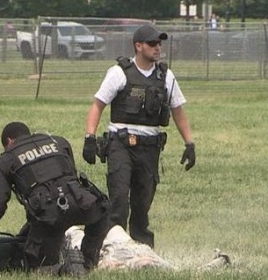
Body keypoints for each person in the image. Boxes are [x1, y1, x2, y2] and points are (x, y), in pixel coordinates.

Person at [83, 24, 195, 248]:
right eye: (153, 43)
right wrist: (90, 137)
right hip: (120, 144)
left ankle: (142, 249)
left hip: (150, 147)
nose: (158, 47)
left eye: (159, 43)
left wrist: (189, 143)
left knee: (142, 203)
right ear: (138, 46)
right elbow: (98, 105)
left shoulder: (166, 76)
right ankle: (112, 247)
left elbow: (178, 110)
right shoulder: (119, 73)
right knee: (119, 198)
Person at [0, 121, 111, 276]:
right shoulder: (59, 142)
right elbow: (70, 177)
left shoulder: (5, 160)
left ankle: (66, 269)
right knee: (102, 211)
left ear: (9, 142)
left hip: (49, 215)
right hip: (83, 202)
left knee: (35, 268)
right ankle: (86, 263)